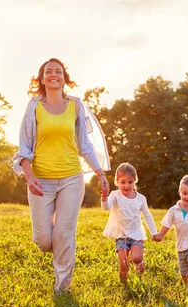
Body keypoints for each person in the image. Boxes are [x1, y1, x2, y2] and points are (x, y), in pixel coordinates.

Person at [11, 58, 111, 293]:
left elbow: (84, 145)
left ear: (64, 78)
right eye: (48, 71)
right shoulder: (34, 106)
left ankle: (62, 287)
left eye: (58, 71)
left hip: (71, 179)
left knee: (64, 233)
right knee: (44, 240)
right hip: (40, 181)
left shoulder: (75, 106)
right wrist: (29, 177)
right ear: (42, 78)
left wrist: (100, 173)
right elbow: (24, 147)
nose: (53, 74)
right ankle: (57, 234)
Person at [101, 163, 158, 282]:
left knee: (136, 258)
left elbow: (147, 215)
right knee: (123, 263)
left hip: (136, 234)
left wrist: (153, 232)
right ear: (117, 182)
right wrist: (104, 200)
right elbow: (106, 207)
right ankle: (124, 285)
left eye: (130, 182)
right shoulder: (115, 195)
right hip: (121, 235)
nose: (126, 186)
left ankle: (139, 263)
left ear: (135, 181)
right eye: (123, 182)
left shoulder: (141, 198)